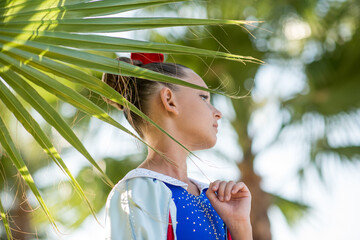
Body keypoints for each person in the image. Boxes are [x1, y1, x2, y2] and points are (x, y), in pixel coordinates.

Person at [103, 53, 252, 240]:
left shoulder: (213, 198)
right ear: (169, 100)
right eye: (204, 98)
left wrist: (240, 226)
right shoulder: (135, 193)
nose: (218, 113)